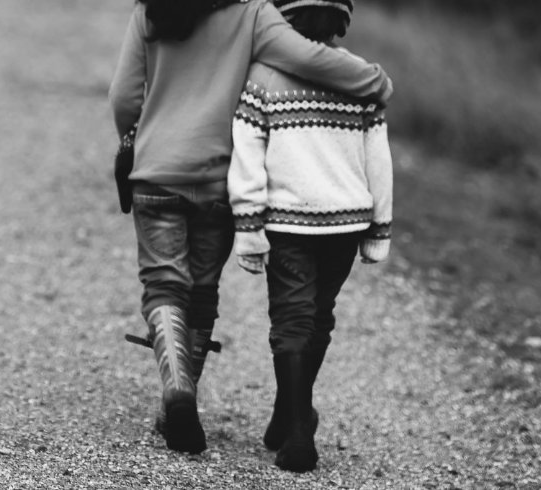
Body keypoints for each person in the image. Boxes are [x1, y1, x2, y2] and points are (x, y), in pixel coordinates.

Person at [108, 0, 394, 455]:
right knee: (201, 291)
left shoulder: (152, 10)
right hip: (219, 177)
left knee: (163, 284)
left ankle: (178, 391)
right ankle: (183, 401)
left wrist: (135, 137)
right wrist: (375, 81)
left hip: (157, 171)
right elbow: (309, 57)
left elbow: (124, 97)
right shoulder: (253, 14)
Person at [227, 0, 393, 472]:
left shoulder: (262, 77)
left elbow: (247, 155)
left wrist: (247, 225)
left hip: (287, 223)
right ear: (341, 20)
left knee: (291, 321)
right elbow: (377, 159)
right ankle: (291, 414)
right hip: (346, 222)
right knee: (318, 317)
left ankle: (298, 428)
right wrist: (380, 227)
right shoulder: (359, 77)